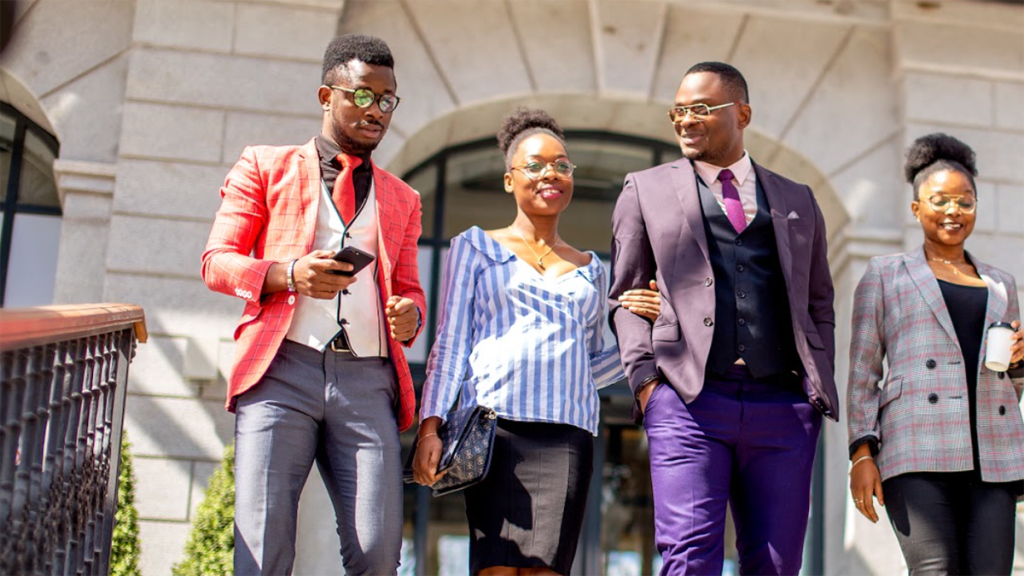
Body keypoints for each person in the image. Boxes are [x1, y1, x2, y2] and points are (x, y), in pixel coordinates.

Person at [201, 34, 425, 576]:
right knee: (263, 547)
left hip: (368, 380)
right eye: (363, 96)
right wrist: (287, 274)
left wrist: (410, 315)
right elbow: (217, 262)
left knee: (376, 553)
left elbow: (412, 292)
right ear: (328, 96)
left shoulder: (403, 197)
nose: (377, 111)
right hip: (282, 371)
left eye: (388, 100)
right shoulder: (265, 166)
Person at [609, 61, 837, 576]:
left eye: (701, 109)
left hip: (782, 404)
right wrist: (647, 382)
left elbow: (819, 304)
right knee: (689, 559)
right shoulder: (644, 188)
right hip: (689, 401)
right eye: (678, 112)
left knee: (777, 564)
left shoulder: (797, 198)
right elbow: (623, 296)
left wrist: (814, 389)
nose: (686, 120)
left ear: (742, 112)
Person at [411, 108, 661, 576]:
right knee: (496, 570)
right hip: (493, 432)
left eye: (562, 165)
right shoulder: (475, 246)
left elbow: (587, 366)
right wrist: (431, 427)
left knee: (547, 571)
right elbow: (449, 346)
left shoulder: (591, 268)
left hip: (566, 436)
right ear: (510, 180)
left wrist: (641, 326)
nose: (551, 174)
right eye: (536, 165)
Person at [847, 133, 1024, 576]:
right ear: (916, 207)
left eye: (965, 202)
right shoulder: (886, 275)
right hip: (915, 448)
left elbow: (1012, 383)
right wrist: (862, 455)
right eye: (940, 200)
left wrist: (1021, 359)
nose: (953, 211)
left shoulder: (1002, 284)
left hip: (994, 454)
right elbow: (863, 373)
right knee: (935, 571)